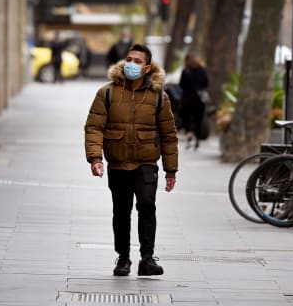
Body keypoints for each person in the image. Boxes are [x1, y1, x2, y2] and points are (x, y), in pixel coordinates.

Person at [84, 44, 179, 277]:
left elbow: (169, 135)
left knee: (147, 206)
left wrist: (171, 171)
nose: (131, 64)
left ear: (147, 68)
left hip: (146, 163)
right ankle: (123, 258)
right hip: (117, 163)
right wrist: (95, 158)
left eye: (137, 61)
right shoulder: (106, 93)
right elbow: (94, 127)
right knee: (121, 211)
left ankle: (147, 258)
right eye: (129, 59)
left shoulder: (159, 97)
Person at [178, 53, 210, 150]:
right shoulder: (202, 70)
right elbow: (206, 83)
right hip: (199, 99)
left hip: (187, 98)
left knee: (187, 118)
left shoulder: (186, 70)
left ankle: (189, 135)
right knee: (199, 119)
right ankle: (197, 139)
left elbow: (181, 84)